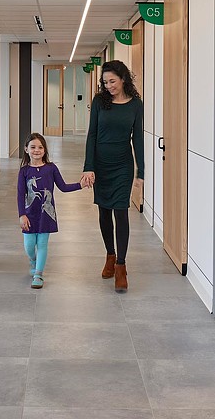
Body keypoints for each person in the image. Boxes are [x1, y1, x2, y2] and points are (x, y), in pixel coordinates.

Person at [80, 60, 144, 291]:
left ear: (123, 78)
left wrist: (142, 170)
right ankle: (109, 255)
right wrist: (89, 166)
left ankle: (121, 266)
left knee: (121, 211)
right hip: (100, 164)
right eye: (105, 82)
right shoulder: (100, 102)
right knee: (104, 212)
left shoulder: (136, 105)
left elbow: (137, 138)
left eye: (112, 81)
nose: (109, 86)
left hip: (122, 165)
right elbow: (92, 136)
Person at [17, 133, 83, 289]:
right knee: (29, 245)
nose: (37, 150)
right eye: (33, 147)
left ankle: (38, 274)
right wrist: (22, 215)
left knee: (42, 244)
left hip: (46, 214)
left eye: (40, 147)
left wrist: (81, 185)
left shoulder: (51, 168)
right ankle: (33, 260)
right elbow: (21, 195)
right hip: (29, 214)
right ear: (26, 149)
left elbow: (64, 187)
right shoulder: (24, 171)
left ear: (45, 150)